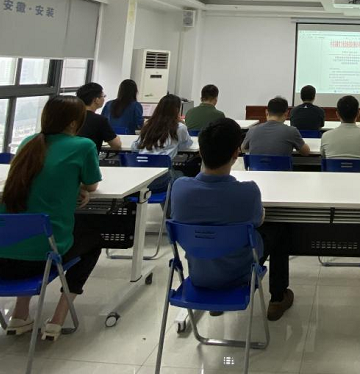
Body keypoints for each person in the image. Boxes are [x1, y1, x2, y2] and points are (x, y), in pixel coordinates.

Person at [0, 95, 102, 341]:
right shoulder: (83, 146)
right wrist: (77, 187)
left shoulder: (29, 142)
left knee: (30, 229)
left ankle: (20, 315)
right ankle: (57, 319)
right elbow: (91, 185)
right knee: (93, 241)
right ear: (74, 122)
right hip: (41, 261)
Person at [170, 118, 295, 321]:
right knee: (279, 228)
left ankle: (215, 303)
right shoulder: (248, 191)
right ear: (236, 154)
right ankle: (278, 298)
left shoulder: (179, 188)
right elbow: (258, 220)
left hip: (199, 275)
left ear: (200, 152)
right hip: (240, 275)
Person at [133, 93, 195, 192]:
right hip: (162, 180)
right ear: (177, 110)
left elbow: (135, 147)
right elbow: (187, 144)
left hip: (140, 180)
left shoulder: (148, 125)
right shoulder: (179, 127)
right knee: (183, 175)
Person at [241, 97, 311, 157]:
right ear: (286, 113)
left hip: (255, 168)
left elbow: (242, 148)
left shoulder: (252, 130)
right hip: (282, 168)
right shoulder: (292, 131)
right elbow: (306, 152)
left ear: (266, 112)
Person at [76, 82, 121, 151]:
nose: (104, 98)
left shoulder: (71, 116)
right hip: (90, 157)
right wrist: (117, 138)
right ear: (96, 100)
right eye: (103, 96)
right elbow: (116, 145)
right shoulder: (100, 120)